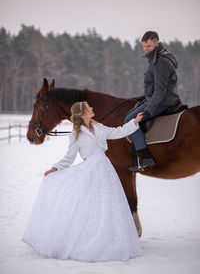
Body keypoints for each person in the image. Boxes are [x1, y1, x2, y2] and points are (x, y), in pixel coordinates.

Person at [22, 101, 143, 262]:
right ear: (83, 113)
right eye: (89, 108)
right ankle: (87, 238)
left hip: (106, 170)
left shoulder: (99, 127)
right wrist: (55, 168)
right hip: (91, 171)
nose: (92, 108)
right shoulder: (76, 135)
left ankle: (109, 238)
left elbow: (118, 131)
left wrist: (134, 122)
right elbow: (69, 157)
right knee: (91, 206)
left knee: (107, 205)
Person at [124, 31, 181, 171]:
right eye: (143, 46)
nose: (146, 49)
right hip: (157, 98)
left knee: (130, 120)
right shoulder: (157, 58)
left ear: (157, 43)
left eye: (148, 46)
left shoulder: (160, 61)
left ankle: (146, 157)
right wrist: (145, 96)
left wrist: (148, 110)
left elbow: (160, 91)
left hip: (163, 101)